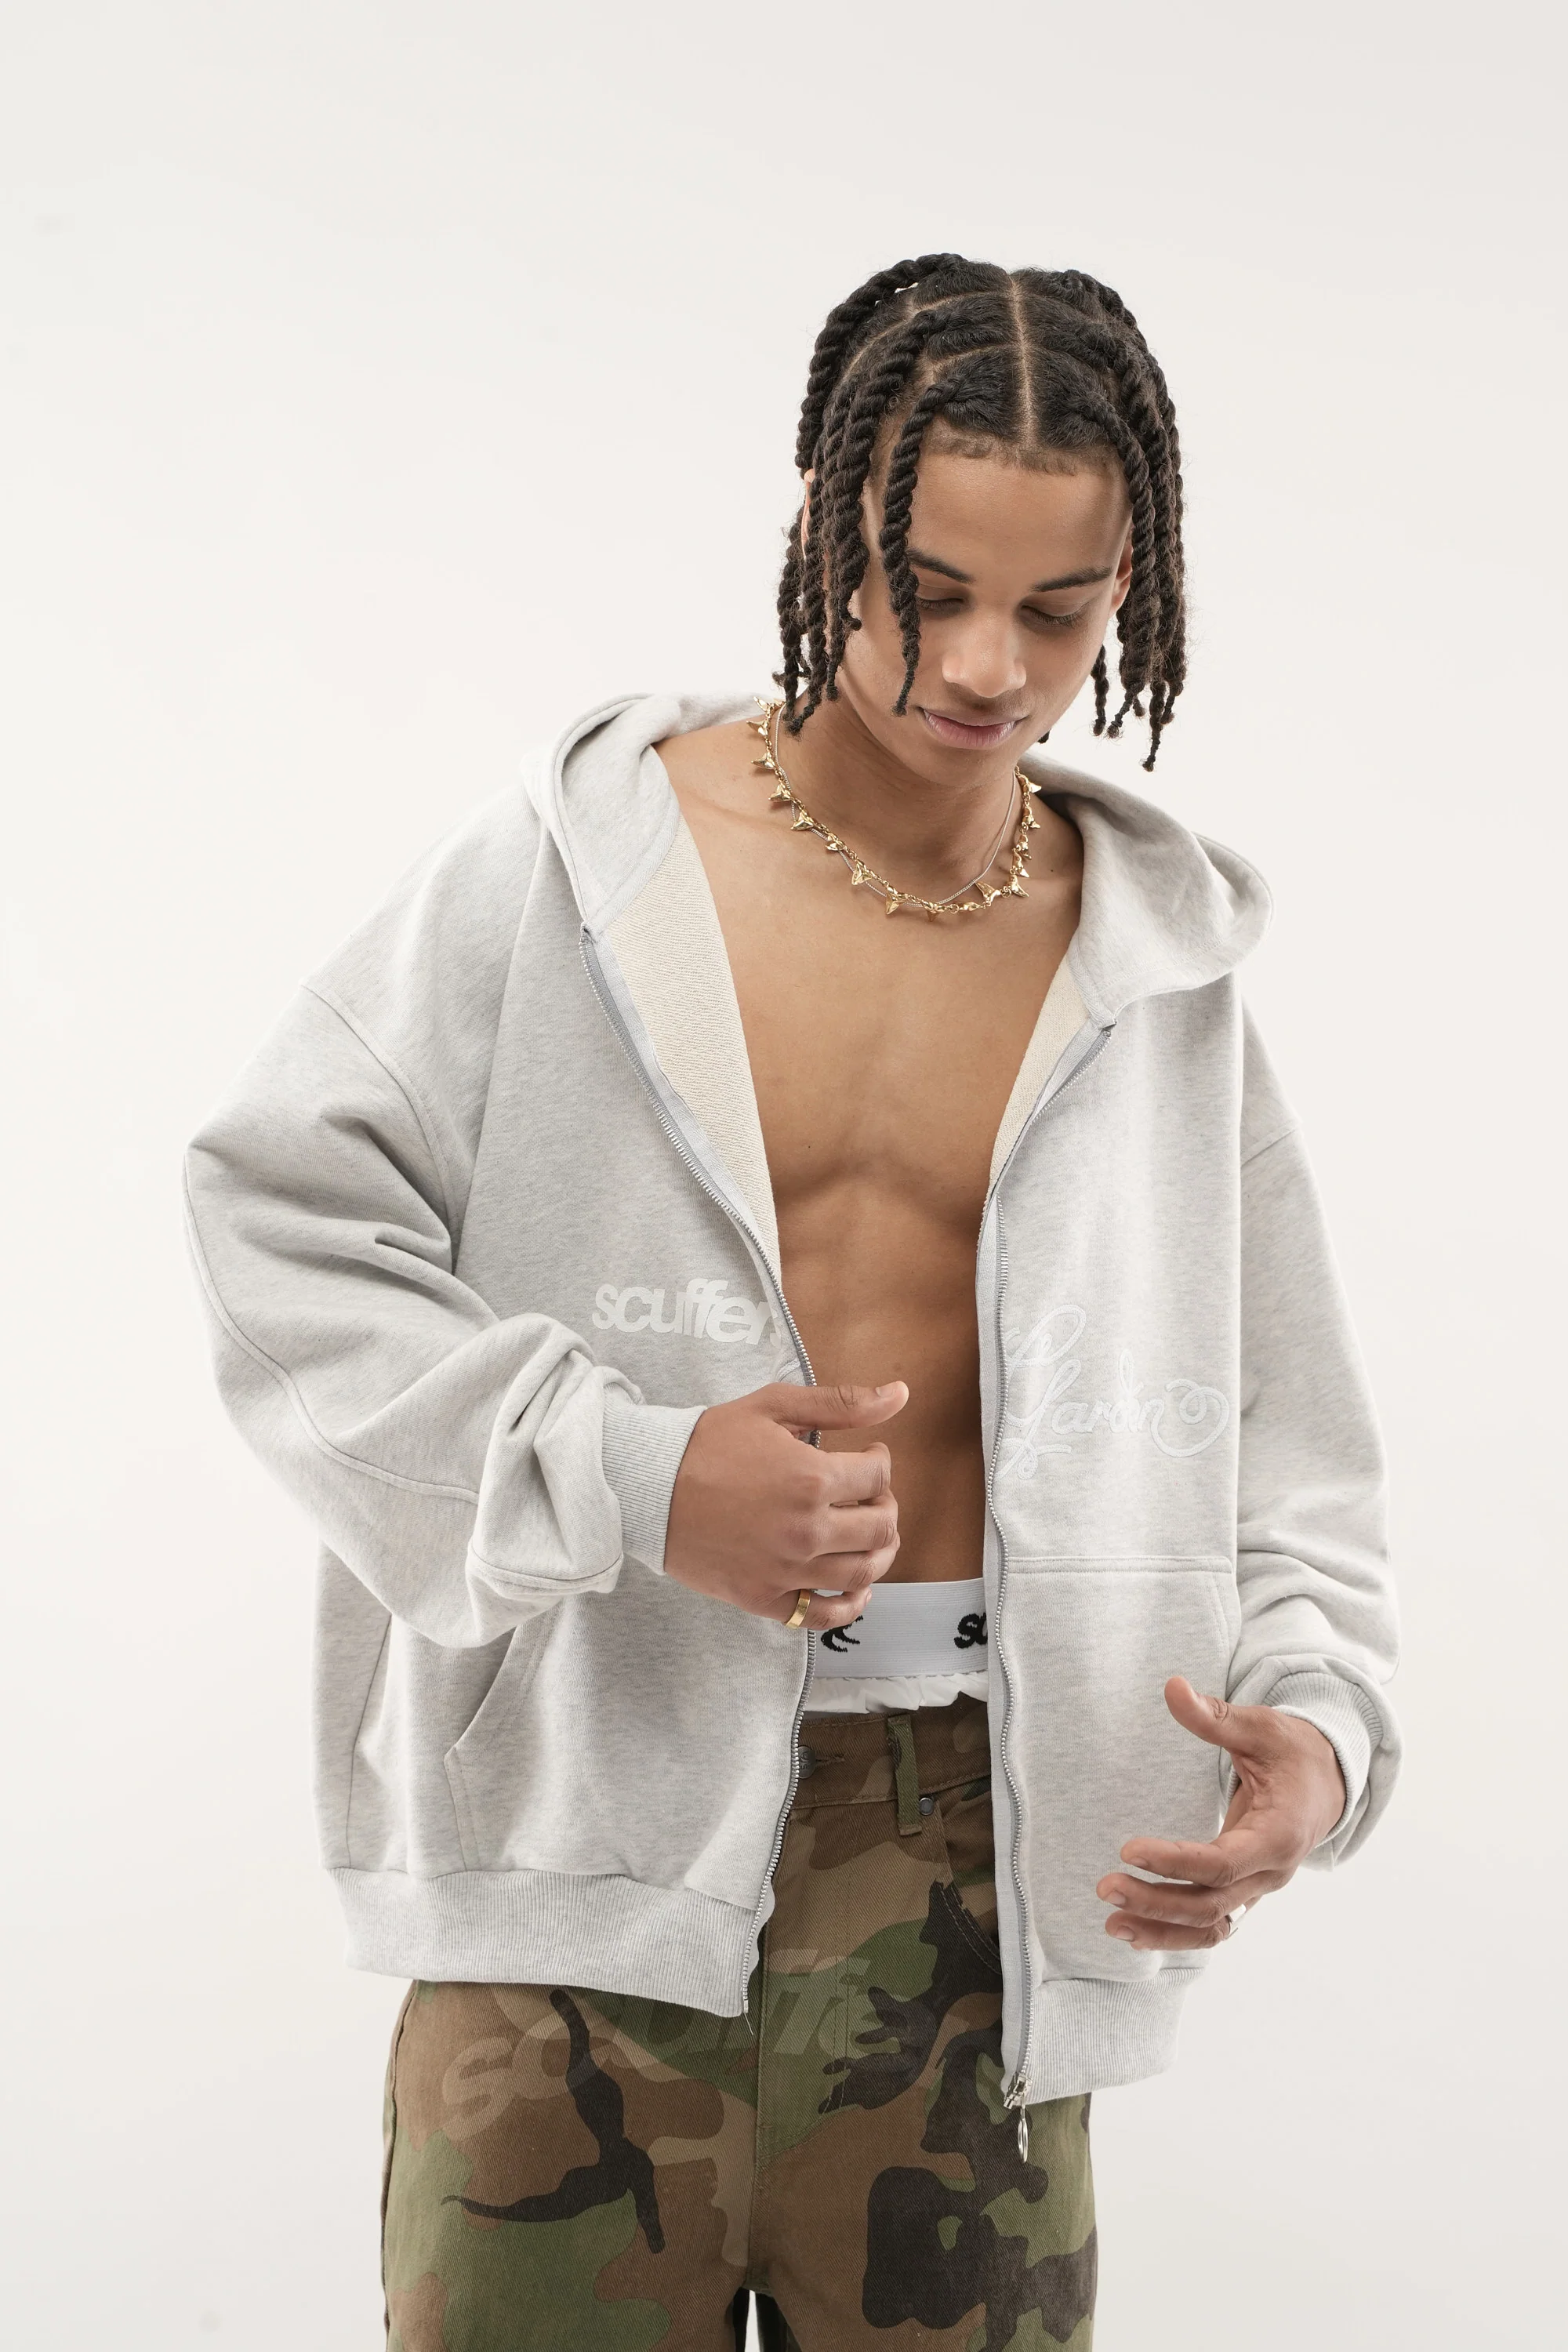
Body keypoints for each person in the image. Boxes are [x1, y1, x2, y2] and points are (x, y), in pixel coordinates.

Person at [186, 254, 1399, 2350]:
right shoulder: (577, 872)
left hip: (981, 1889)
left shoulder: (1156, 966)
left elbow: (1282, 1435)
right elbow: (274, 1218)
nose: (984, 665)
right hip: (574, 1871)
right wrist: (634, 1476)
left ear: (1133, 591)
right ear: (823, 524)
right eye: (925, 588)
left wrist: (1316, 1722)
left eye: (1059, 610)